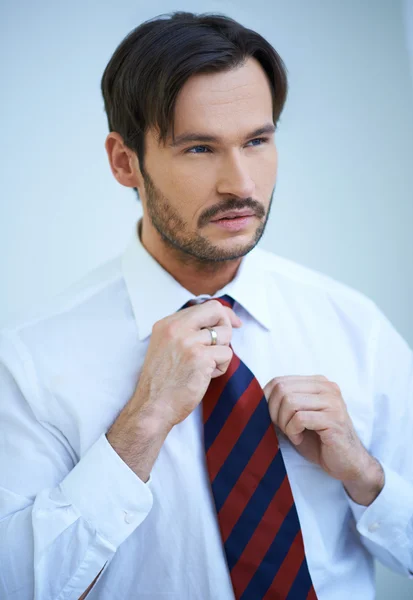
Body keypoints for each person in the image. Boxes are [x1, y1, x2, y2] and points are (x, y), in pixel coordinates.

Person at [0, 10, 412, 600]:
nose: (240, 183)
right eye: (199, 148)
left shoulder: (355, 328)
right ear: (124, 162)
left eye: (257, 141)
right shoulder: (29, 361)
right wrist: (139, 428)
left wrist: (367, 478)